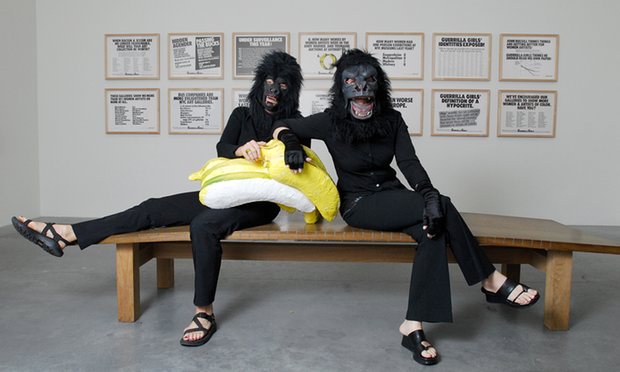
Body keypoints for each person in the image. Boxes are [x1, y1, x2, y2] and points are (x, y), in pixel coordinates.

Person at [12, 51, 307, 347]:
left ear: (289, 90)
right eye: (269, 82)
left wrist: (279, 147)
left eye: (281, 86)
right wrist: (241, 149)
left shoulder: (296, 124)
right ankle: (68, 233)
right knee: (153, 208)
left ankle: (204, 313)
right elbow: (222, 147)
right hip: (224, 191)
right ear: (260, 83)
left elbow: (301, 168)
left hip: (258, 205)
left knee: (203, 226)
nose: (273, 91)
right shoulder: (241, 114)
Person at [273, 49, 539, 366]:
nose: (361, 90)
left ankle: (412, 325)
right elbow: (280, 126)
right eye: (351, 83)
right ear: (341, 88)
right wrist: (290, 142)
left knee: (432, 232)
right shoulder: (329, 121)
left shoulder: (393, 119)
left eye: (368, 82)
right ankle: (489, 279)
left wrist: (426, 194)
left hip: (393, 195)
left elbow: (409, 164)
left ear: (378, 88)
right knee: (440, 205)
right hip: (359, 203)